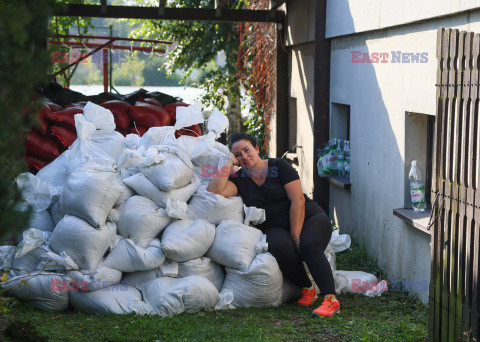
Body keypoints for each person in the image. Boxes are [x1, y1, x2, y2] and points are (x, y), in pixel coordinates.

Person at [207, 132, 340, 317]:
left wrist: (296, 235)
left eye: (247, 150)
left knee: (308, 246)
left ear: (257, 149)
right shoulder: (239, 180)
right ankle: (307, 288)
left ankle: (330, 300)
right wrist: (228, 163)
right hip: (275, 226)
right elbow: (215, 190)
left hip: (308, 216)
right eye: (238, 155)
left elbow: (298, 200)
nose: (244, 157)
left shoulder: (278, 166)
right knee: (278, 245)